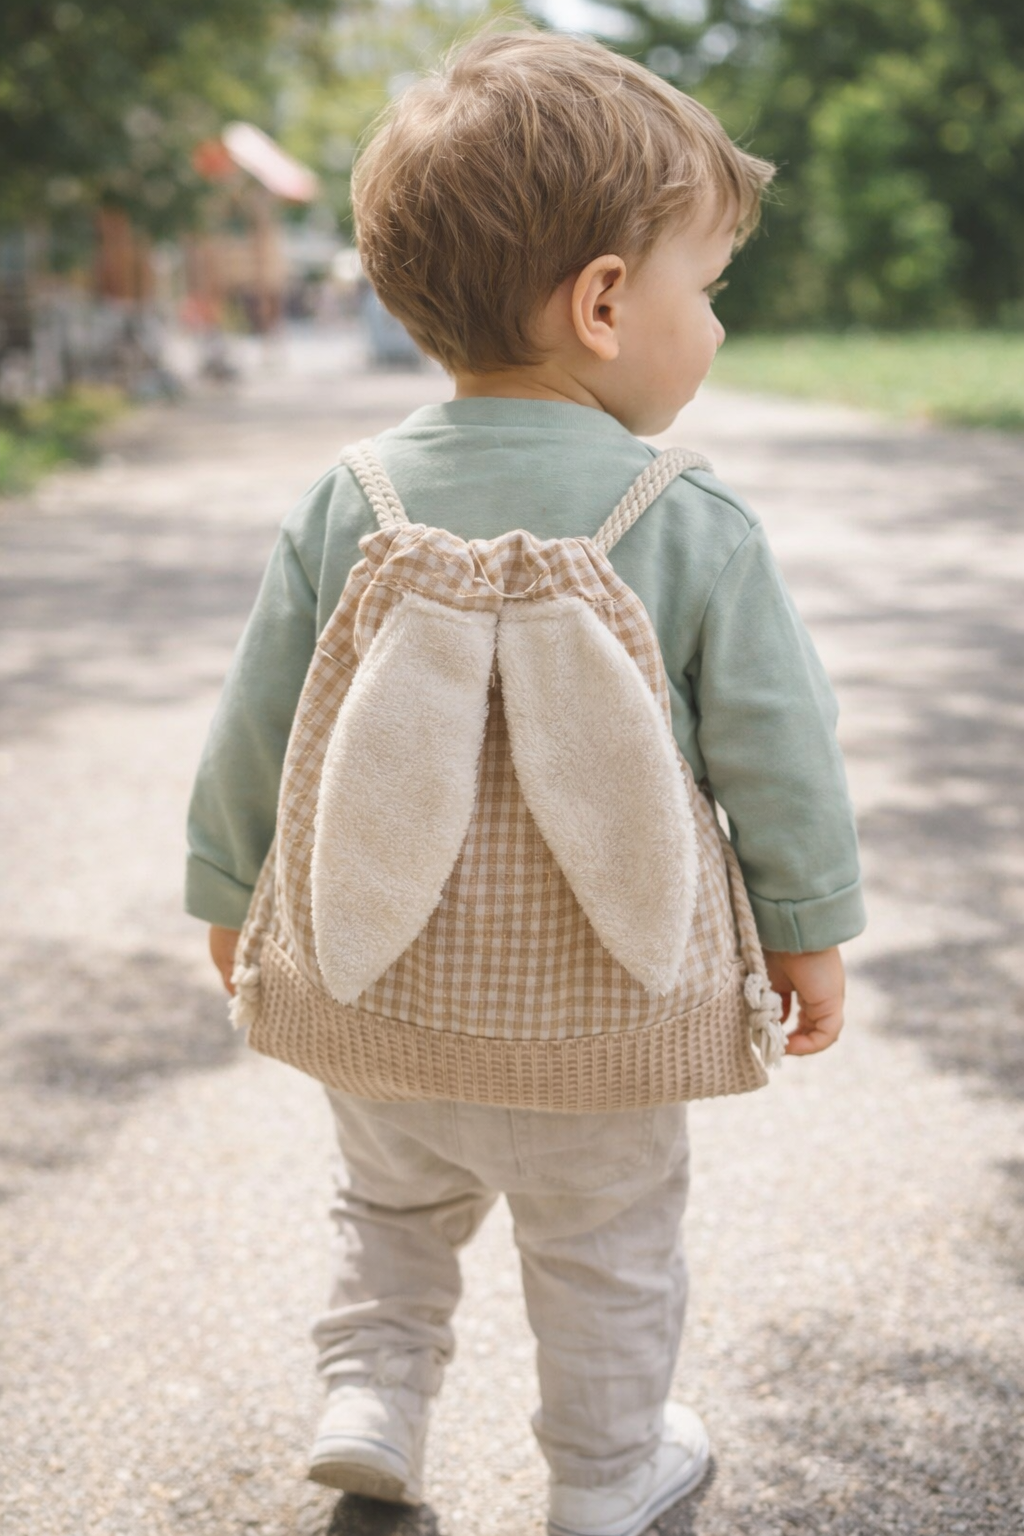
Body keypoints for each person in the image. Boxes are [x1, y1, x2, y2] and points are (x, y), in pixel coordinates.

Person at [186, 27, 865, 1536]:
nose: (719, 327)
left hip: (380, 992)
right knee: (608, 1241)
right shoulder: (686, 517)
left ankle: (372, 1409)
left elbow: (258, 725)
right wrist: (807, 928)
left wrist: (229, 898)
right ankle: (610, 1479)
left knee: (389, 1207)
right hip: (599, 1011)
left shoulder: (347, 500)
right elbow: (777, 745)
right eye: (710, 288)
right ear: (607, 303)